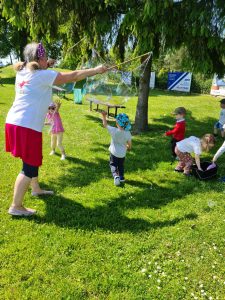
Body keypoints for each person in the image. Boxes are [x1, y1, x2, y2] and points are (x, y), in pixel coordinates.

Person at [5, 42, 107, 216]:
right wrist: (96, 70)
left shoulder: (22, 71)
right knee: (29, 166)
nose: (48, 60)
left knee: (31, 159)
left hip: (14, 122)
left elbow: (39, 71)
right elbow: (73, 76)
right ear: (40, 59)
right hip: (27, 125)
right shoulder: (43, 76)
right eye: (45, 57)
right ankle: (16, 206)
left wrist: (47, 65)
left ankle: (35, 188)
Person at [101, 111, 132, 186]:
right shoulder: (128, 133)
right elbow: (129, 144)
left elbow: (105, 125)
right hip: (122, 154)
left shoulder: (114, 130)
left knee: (113, 165)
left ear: (117, 124)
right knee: (121, 165)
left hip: (114, 153)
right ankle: (121, 178)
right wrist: (128, 148)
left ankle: (116, 176)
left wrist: (104, 116)